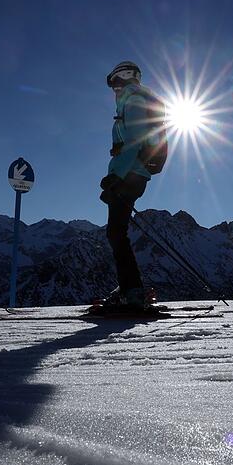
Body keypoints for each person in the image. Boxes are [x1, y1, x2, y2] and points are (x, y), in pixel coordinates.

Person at [98, 61, 161, 309]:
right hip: (134, 173)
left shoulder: (133, 100)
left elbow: (135, 142)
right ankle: (128, 287)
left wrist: (116, 176)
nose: (113, 89)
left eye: (114, 83)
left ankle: (132, 291)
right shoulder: (136, 100)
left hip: (130, 174)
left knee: (116, 232)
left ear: (123, 78)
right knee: (117, 232)